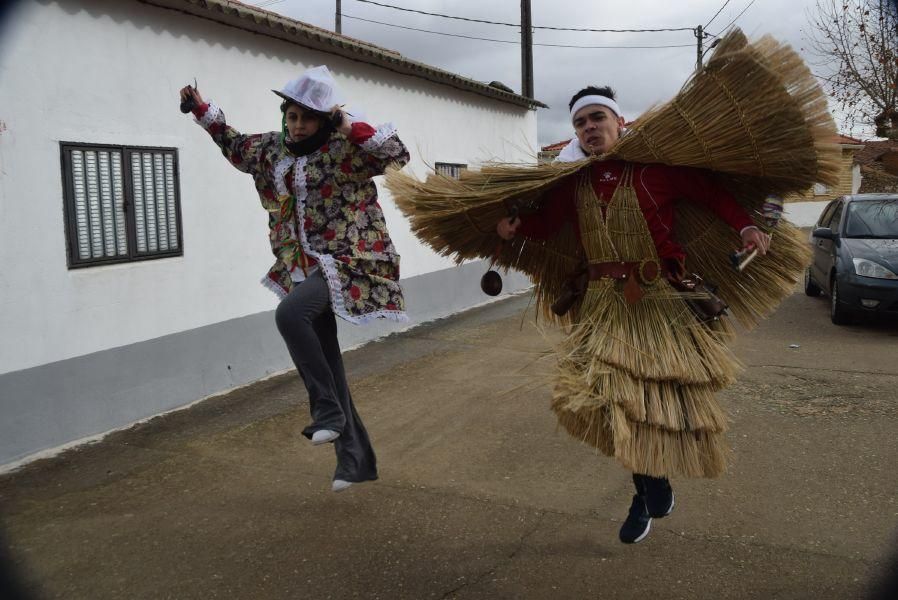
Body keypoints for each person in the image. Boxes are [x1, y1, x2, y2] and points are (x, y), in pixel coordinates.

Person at [497, 86, 770, 544]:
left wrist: (745, 224)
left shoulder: (654, 172)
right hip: (601, 303)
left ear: (619, 122)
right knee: (602, 399)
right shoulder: (574, 182)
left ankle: (643, 494)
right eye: (580, 123)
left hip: (656, 301)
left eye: (597, 118)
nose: (589, 128)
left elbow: (710, 193)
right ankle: (650, 484)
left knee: (651, 403)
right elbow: (551, 224)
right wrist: (515, 230)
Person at [180, 65, 410, 493]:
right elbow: (234, 144)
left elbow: (394, 154)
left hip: (348, 258)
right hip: (302, 263)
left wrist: (346, 122)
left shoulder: (345, 147)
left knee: (290, 315)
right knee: (329, 360)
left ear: (324, 119)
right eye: (292, 116)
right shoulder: (273, 150)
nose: (299, 125)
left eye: (308, 117)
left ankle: (326, 411)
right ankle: (354, 460)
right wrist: (201, 109)